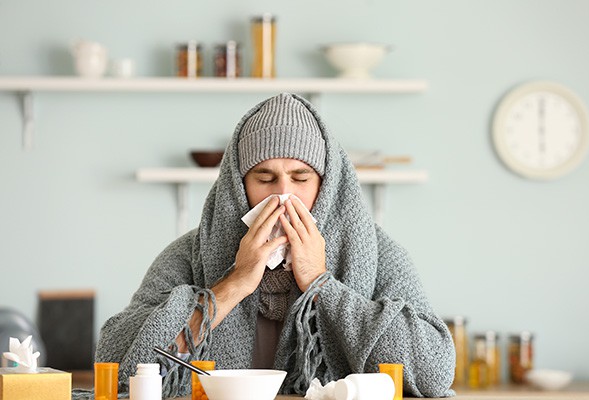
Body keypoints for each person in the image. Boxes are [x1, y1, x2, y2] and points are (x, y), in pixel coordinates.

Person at [94, 93, 455, 398]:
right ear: (238, 185)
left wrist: (320, 282)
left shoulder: (379, 254)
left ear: (325, 186)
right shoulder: (187, 254)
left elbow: (433, 373)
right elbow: (116, 366)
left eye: (301, 177)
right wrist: (233, 284)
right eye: (264, 177)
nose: (283, 194)